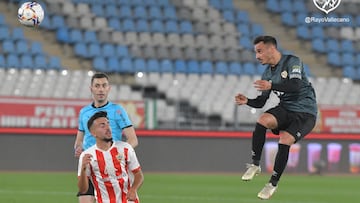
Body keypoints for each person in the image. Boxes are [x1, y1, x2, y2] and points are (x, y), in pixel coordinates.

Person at [235, 35, 317, 200]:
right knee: (263, 120)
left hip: (305, 113)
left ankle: (272, 184)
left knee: (285, 140)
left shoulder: (292, 61)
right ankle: (255, 164)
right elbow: (261, 102)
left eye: (259, 51)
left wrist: (272, 85)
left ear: (271, 49)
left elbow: (295, 86)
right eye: (256, 52)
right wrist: (247, 101)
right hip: (286, 109)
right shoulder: (267, 73)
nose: (257, 56)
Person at [74, 72, 138, 203]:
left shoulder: (117, 110)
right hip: (91, 166)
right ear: (91, 88)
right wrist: (78, 148)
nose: (101, 89)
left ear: (109, 88)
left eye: (104, 85)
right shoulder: (84, 112)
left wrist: (118, 154)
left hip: (112, 167)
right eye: (97, 86)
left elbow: (133, 139)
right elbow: (79, 140)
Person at [78, 111, 144, 203]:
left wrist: (133, 189)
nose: (108, 128)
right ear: (93, 133)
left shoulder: (125, 148)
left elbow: (139, 175)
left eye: (108, 124)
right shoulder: (87, 156)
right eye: (102, 125)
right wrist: (83, 169)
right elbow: (83, 189)